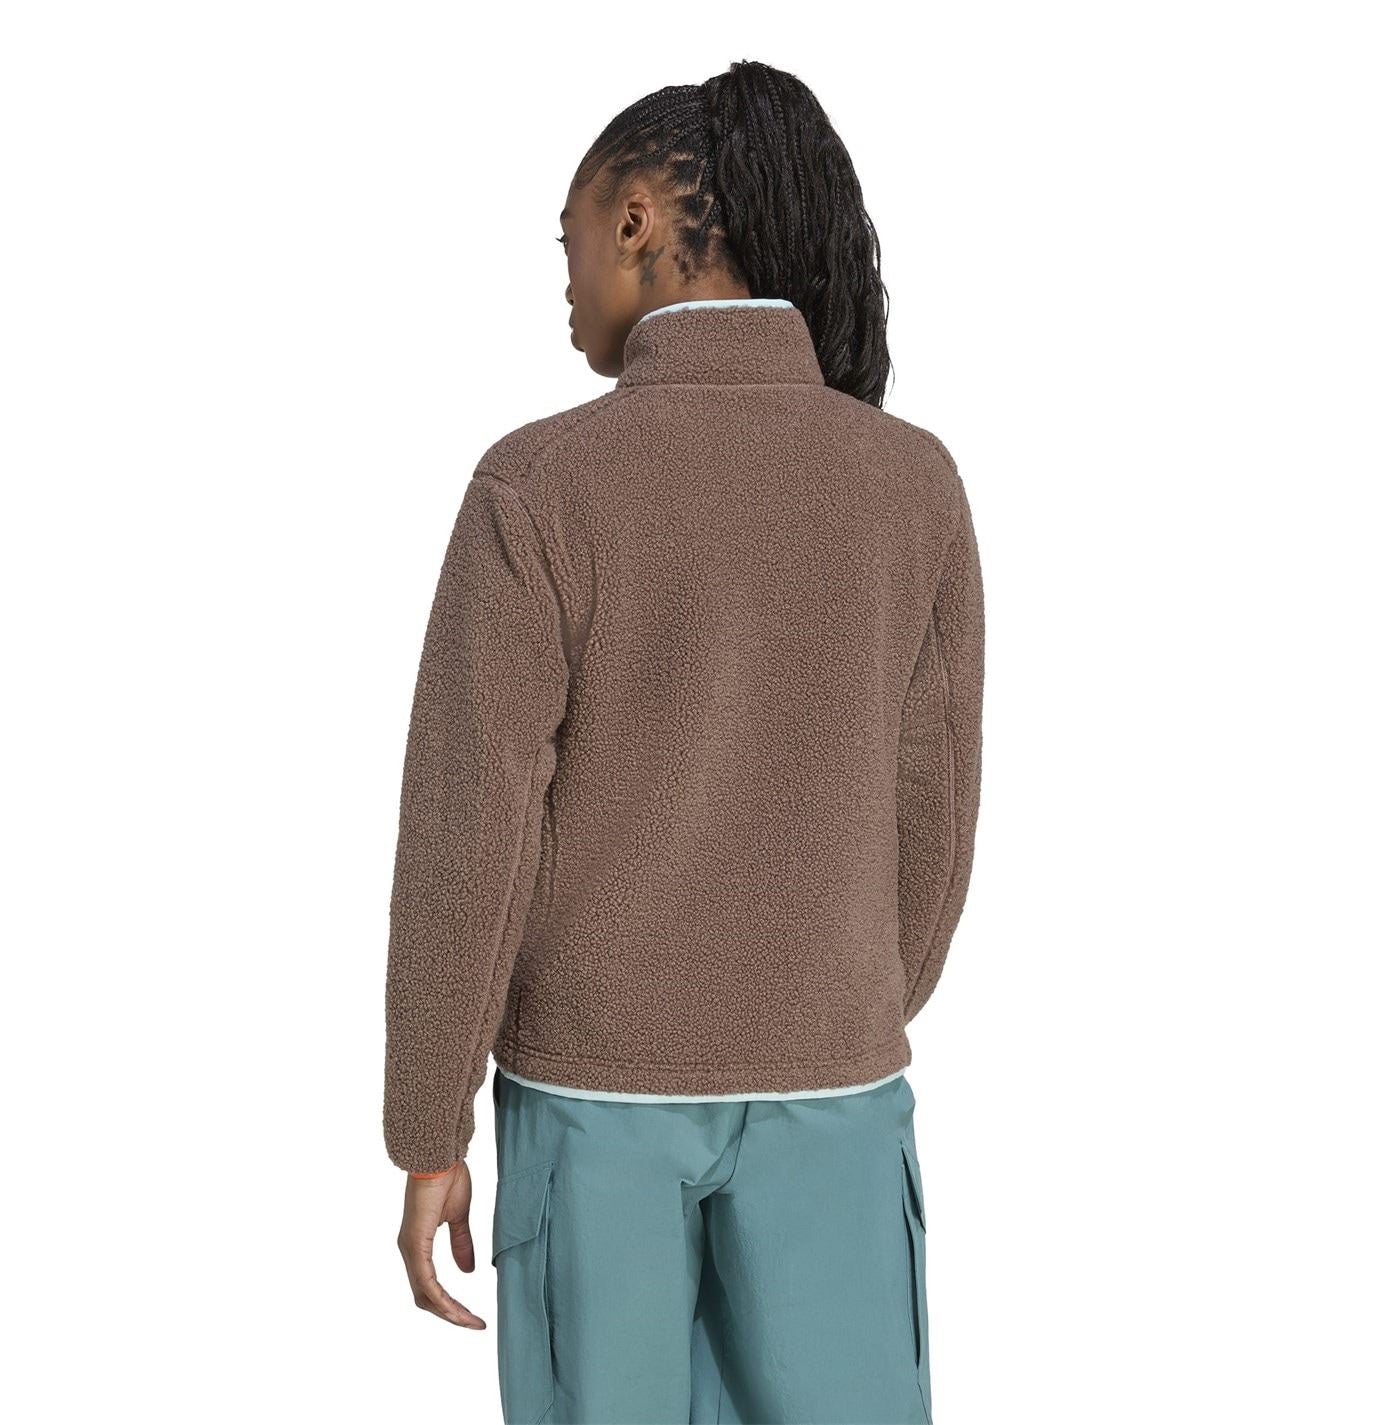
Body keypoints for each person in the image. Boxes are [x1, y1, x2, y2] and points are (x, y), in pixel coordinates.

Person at [385, 58, 985, 1425]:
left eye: (569, 238)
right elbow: (934, 814)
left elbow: (472, 828)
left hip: (592, 1095)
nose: (563, 278)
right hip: (837, 1083)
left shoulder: (539, 482)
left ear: (640, 218)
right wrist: (833, 998)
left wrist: (427, 1123)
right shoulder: (912, 482)